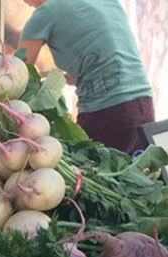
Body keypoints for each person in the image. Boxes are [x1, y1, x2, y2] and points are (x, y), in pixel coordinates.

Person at [18, 0, 155, 154]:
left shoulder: (46, 12)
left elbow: (19, 73)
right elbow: (101, 64)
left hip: (108, 112)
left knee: (87, 172)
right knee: (133, 173)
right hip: (143, 105)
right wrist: (51, 77)